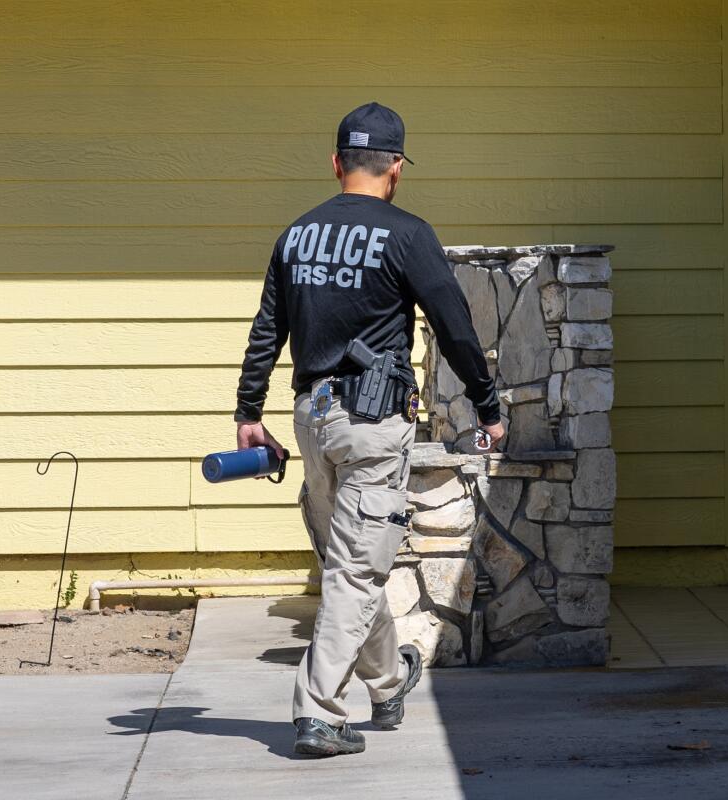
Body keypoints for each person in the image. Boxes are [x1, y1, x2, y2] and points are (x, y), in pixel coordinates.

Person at [232, 102, 505, 757]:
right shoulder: (408, 235)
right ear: (395, 170)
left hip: (314, 415)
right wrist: (488, 406)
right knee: (355, 571)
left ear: (336, 163)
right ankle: (320, 714)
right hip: (372, 424)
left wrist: (248, 413)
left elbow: (267, 330)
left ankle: (387, 683)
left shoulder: (296, 235)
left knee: (348, 564)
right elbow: (455, 327)